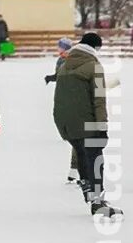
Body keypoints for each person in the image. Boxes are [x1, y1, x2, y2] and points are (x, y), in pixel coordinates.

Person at [53, 32, 123, 220]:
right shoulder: (95, 66)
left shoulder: (65, 64)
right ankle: (97, 202)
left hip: (65, 122)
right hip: (86, 122)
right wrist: (102, 127)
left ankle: (89, 192)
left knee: (83, 155)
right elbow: (99, 99)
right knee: (95, 158)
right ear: (96, 48)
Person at [44, 38, 78, 183]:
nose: (59, 50)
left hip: (74, 99)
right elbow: (60, 76)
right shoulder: (60, 60)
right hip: (63, 98)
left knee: (79, 139)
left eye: (61, 47)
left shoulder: (72, 60)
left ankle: (77, 172)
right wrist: (52, 77)